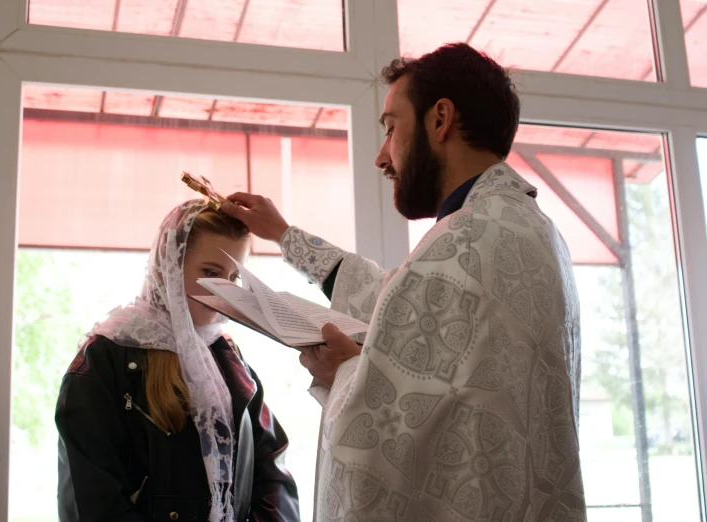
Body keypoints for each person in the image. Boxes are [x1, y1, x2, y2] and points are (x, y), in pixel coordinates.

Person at [222, 43, 585, 522]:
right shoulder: (522, 226)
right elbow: (394, 299)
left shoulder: (468, 239)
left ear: (440, 120)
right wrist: (287, 237)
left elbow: (397, 434)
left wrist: (342, 374)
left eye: (391, 127)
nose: (381, 156)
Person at [55, 201, 300, 522]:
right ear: (168, 266)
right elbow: (91, 497)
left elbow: (272, 471)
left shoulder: (227, 357)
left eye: (234, 277)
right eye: (209, 272)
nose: (223, 290)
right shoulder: (105, 358)